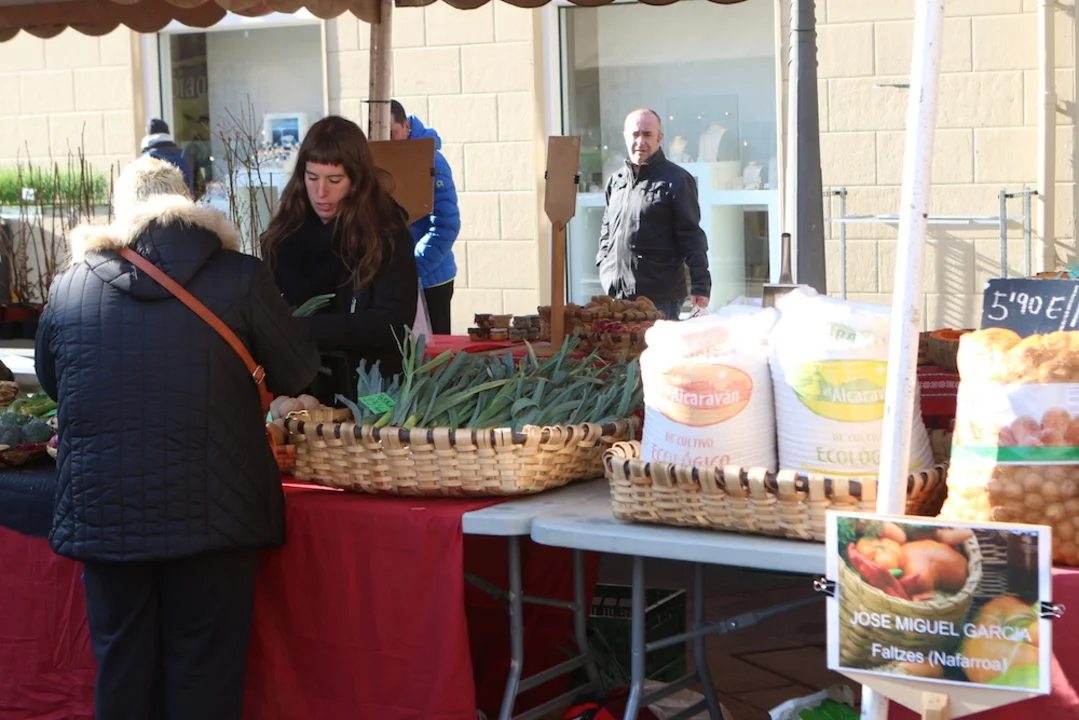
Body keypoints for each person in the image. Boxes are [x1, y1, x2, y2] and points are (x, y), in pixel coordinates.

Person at [34, 155, 321, 720]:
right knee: (206, 675)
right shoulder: (241, 277)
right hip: (215, 511)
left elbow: (52, 381)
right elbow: (298, 370)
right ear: (187, 207)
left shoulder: (69, 287)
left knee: (122, 670)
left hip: (106, 512)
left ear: (119, 215)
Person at [261, 115, 418, 404]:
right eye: (312, 178)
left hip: (370, 395)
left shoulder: (387, 236)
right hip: (302, 398)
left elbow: (393, 322)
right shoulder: (282, 236)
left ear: (357, 180)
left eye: (335, 180)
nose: (321, 192)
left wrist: (304, 329)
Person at [596, 108, 711, 321]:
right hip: (617, 296)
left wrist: (701, 286)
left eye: (647, 134)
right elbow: (607, 228)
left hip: (660, 299)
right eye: (635, 134)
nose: (640, 141)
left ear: (659, 138)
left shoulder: (677, 180)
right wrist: (603, 263)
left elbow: (692, 236)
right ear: (626, 137)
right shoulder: (616, 182)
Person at [390, 99, 461, 335]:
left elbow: (446, 224)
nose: (387, 142)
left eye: (392, 133)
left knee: (433, 353)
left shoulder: (432, 161)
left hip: (430, 280)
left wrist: (413, 269)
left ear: (407, 126)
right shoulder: (380, 162)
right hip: (397, 280)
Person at [140, 118, 200, 197]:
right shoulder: (186, 155)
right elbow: (200, 188)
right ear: (168, 133)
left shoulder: (148, 158)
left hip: (160, 204)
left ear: (148, 135)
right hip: (185, 202)